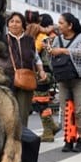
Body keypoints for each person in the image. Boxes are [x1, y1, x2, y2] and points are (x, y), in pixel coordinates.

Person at [49, 12, 81, 153]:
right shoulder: (57, 39)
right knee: (65, 111)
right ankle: (68, 139)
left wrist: (62, 50)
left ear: (70, 25)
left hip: (79, 78)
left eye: (61, 23)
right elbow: (52, 56)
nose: (58, 26)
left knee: (79, 110)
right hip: (63, 79)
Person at [0, 12, 44, 128]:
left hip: (26, 79)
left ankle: (22, 141)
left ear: (23, 25)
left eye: (18, 22)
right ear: (7, 24)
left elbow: (36, 57)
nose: (14, 24)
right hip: (6, 79)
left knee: (23, 114)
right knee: (7, 112)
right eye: (11, 21)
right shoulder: (1, 40)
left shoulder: (29, 40)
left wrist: (41, 70)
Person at [26, 12, 60, 142]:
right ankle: (51, 127)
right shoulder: (48, 37)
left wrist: (44, 74)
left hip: (43, 74)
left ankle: (48, 131)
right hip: (46, 74)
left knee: (41, 102)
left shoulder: (44, 39)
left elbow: (45, 58)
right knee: (40, 102)